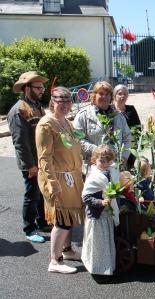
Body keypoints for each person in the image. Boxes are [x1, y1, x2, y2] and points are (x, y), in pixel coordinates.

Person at [35, 86, 85, 273]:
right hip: (58, 178)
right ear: (52, 102)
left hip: (72, 177)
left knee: (69, 216)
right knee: (61, 219)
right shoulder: (46, 124)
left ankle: (67, 250)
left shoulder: (67, 122)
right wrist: (52, 183)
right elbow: (44, 158)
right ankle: (54, 261)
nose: (64, 104)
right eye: (60, 100)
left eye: (68, 100)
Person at [7, 71, 51, 243]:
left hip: (41, 160)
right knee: (31, 194)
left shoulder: (37, 106)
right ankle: (29, 228)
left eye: (42, 87)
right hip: (31, 162)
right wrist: (30, 166)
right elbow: (20, 142)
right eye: (38, 87)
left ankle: (41, 223)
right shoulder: (19, 110)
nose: (42, 90)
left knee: (40, 192)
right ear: (26, 88)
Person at [73, 81, 131, 172]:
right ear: (94, 95)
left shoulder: (118, 116)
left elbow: (127, 138)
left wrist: (123, 157)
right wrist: (97, 151)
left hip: (115, 166)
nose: (104, 97)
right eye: (101, 94)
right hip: (93, 166)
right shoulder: (83, 115)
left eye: (107, 94)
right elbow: (77, 138)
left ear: (111, 97)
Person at [81, 144, 120, 280]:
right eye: (102, 161)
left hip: (107, 214)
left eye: (108, 161)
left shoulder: (111, 171)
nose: (105, 164)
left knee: (106, 242)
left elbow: (115, 186)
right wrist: (100, 202)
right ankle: (97, 269)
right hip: (97, 215)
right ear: (94, 160)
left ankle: (107, 267)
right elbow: (86, 197)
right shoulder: (94, 176)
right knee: (97, 244)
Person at [113, 84, 141, 170]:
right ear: (114, 95)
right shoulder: (111, 110)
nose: (123, 96)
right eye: (120, 94)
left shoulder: (131, 109)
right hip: (116, 146)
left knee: (130, 170)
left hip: (130, 145)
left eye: (125, 94)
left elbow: (138, 127)